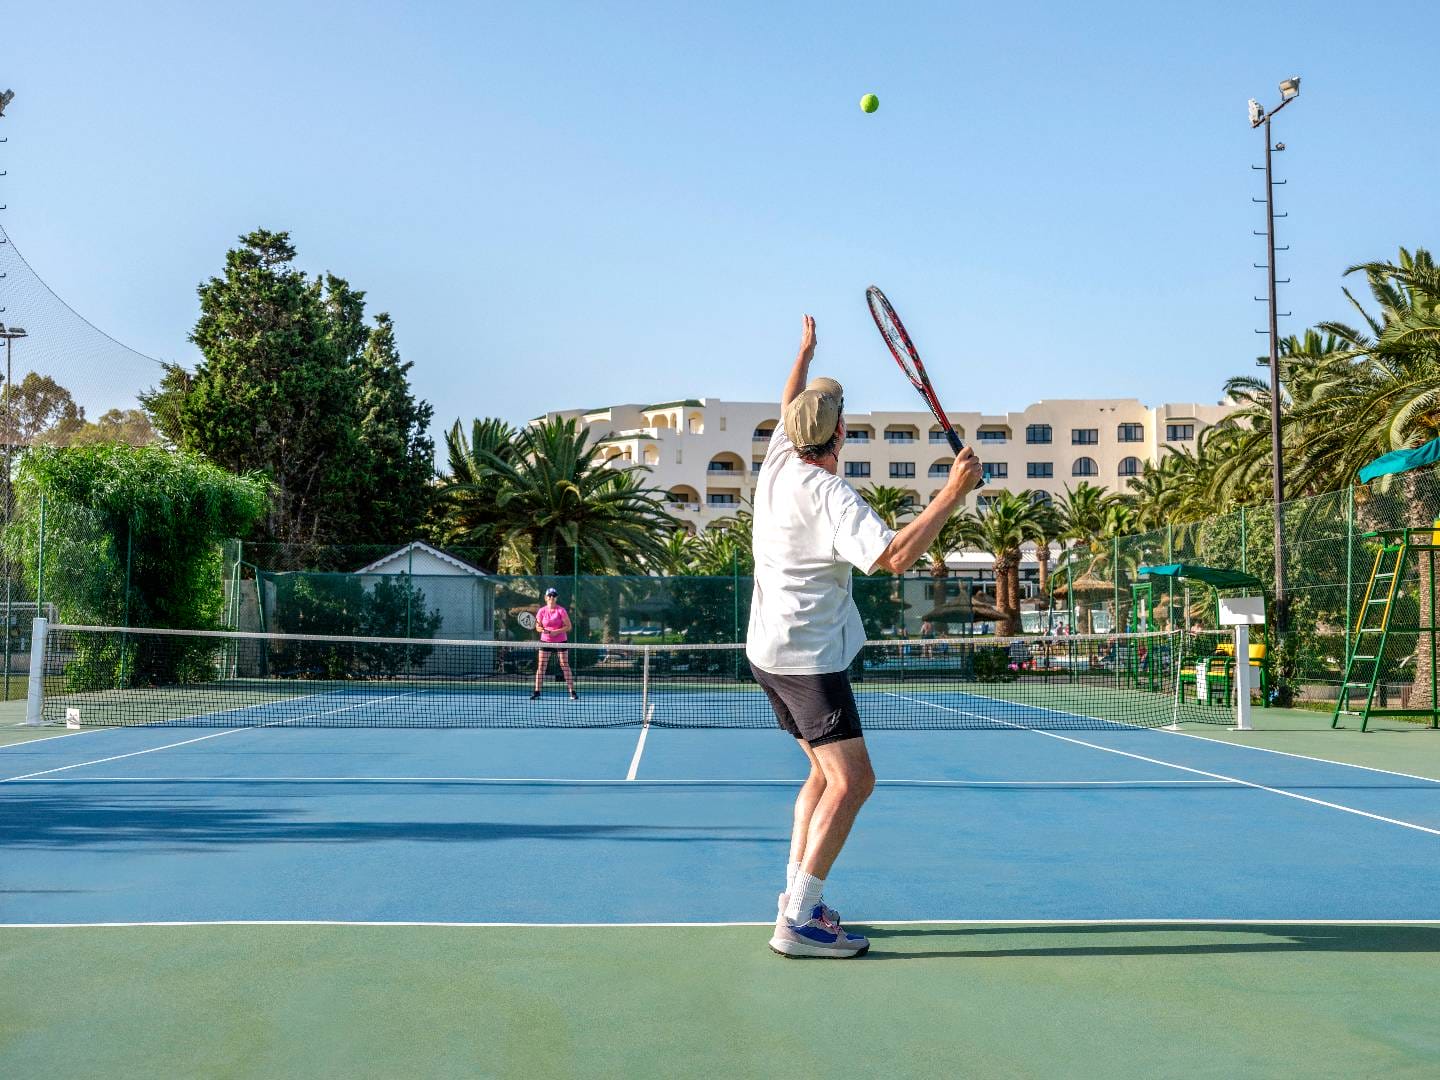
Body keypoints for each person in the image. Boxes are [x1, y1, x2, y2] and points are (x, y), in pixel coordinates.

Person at [749, 314, 983, 959]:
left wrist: (803, 352)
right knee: (854, 782)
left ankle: (796, 899)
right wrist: (952, 492)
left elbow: (786, 402)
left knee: (824, 778)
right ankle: (797, 921)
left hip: (770, 652)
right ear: (842, 432)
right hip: (807, 658)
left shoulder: (776, 461)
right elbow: (896, 557)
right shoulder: (830, 495)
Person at [531, 588, 578, 701]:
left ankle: (572, 692)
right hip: (545, 641)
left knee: (564, 665)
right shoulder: (541, 611)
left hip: (561, 640)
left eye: (554, 595)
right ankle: (537, 692)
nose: (551, 597)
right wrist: (543, 630)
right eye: (549, 595)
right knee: (541, 666)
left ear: (556, 598)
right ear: (546, 597)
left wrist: (556, 632)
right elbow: (537, 627)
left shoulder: (561, 611)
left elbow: (568, 626)